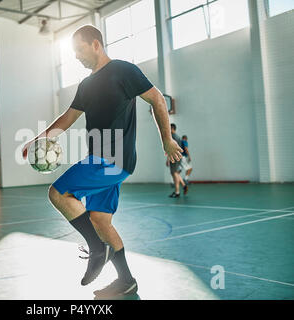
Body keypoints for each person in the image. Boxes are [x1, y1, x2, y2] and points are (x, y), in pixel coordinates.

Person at [22, 25, 183, 298]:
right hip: (99, 159)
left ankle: (97, 249)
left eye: (79, 50)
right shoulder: (85, 85)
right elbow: (68, 118)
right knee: (100, 220)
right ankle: (127, 280)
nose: (76, 57)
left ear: (95, 44)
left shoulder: (124, 71)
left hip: (114, 158)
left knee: (58, 193)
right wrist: (39, 138)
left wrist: (166, 139)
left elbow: (156, 99)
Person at [166, 124, 188, 198]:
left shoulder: (172, 137)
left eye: (169, 128)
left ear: (172, 129)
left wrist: (168, 159)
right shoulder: (178, 137)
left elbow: (170, 148)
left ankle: (177, 192)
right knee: (175, 173)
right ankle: (184, 186)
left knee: (174, 173)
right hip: (178, 157)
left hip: (174, 157)